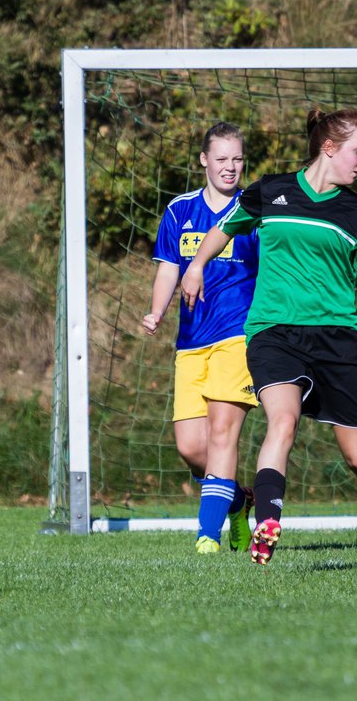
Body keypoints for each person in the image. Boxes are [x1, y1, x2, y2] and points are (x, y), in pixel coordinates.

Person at [180, 108, 357, 570]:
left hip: (338, 341)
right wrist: (195, 266)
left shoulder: (356, 211)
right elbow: (224, 228)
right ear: (329, 149)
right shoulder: (271, 191)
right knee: (282, 423)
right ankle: (267, 522)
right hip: (274, 332)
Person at [142, 123, 259, 555]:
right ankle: (237, 501)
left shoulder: (254, 212)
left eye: (238, 159)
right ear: (204, 161)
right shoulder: (180, 211)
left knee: (223, 431)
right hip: (191, 339)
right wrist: (157, 311)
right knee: (192, 447)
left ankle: (206, 537)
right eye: (222, 159)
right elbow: (169, 267)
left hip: (239, 336)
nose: (231, 167)